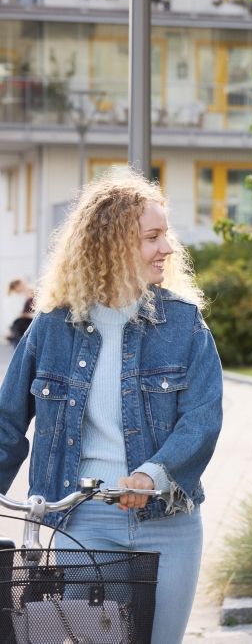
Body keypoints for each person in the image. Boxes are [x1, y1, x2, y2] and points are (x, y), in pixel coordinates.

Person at [0, 170, 224, 643]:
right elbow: (7, 421)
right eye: (152, 237)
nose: (167, 247)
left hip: (169, 522)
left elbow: (202, 419)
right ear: (110, 245)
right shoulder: (51, 327)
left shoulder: (184, 325)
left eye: (166, 235)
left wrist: (152, 474)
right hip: (84, 523)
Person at [5, 278, 34, 345]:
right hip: (19, 324)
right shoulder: (12, 298)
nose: (24, 286)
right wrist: (34, 315)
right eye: (22, 285)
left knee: (21, 346)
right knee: (21, 345)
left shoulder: (20, 296)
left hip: (20, 323)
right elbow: (21, 313)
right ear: (16, 286)